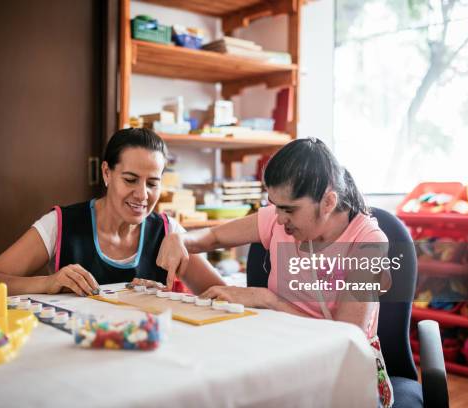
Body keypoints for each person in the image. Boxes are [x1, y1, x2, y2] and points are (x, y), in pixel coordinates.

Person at [156, 137, 393, 407]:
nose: (279, 218)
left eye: (289, 209)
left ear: (328, 202)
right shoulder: (278, 218)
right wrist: (180, 239)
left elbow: (346, 336)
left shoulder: (368, 243)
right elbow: (211, 236)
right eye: (275, 205)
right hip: (282, 351)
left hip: (342, 371)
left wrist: (268, 299)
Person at [0, 128, 224, 297]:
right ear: (106, 173)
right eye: (130, 180)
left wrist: (165, 298)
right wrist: (47, 283)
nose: (142, 195)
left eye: (152, 183)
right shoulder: (61, 224)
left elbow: (221, 294)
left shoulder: (169, 233)